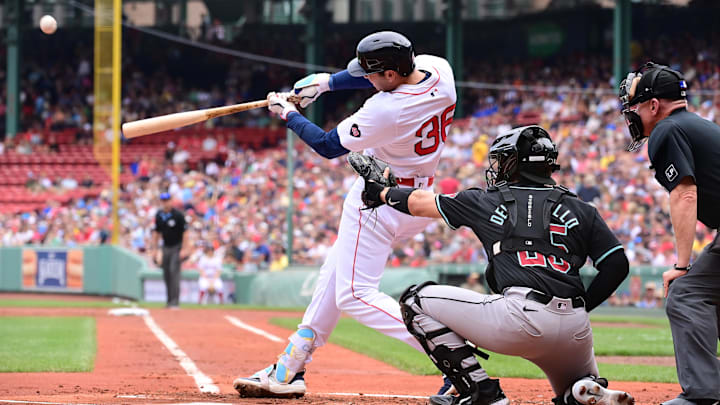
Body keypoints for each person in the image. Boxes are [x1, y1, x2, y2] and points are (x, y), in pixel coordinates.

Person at [233, 30, 456, 398]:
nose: (366, 79)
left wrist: (288, 114)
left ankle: (450, 352)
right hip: (415, 196)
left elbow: (326, 146)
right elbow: (380, 73)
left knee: (354, 293)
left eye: (372, 74)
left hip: (379, 196)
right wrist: (327, 83)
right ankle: (289, 367)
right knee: (336, 273)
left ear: (389, 75)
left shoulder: (388, 109)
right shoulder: (439, 69)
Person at [365, 125, 633, 405]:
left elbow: (420, 204)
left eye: (504, 159)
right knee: (575, 390)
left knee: (414, 300)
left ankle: (481, 392)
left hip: (519, 318)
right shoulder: (582, 209)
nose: (499, 166)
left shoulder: (486, 200)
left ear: (515, 163)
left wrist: (381, 193)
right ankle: (580, 391)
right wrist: (583, 306)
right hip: (575, 328)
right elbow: (617, 265)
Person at [619, 62, 720, 405]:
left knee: (687, 293)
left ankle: (702, 395)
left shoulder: (666, 130)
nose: (630, 114)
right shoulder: (697, 124)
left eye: (634, 106)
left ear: (653, 105)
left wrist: (681, 265)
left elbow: (684, 193)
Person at [151, 192, 188, 309]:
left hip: (176, 247)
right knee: (166, 274)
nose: (165, 202)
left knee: (174, 272)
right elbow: (157, 233)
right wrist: (155, 249)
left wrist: (184, 249)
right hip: (165, 247)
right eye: (163, 200)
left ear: (171, 201)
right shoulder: (159, 215)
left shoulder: (178, 215)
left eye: (167, 200)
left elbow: (185, 233)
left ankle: (175, 302)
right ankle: (169, 301)